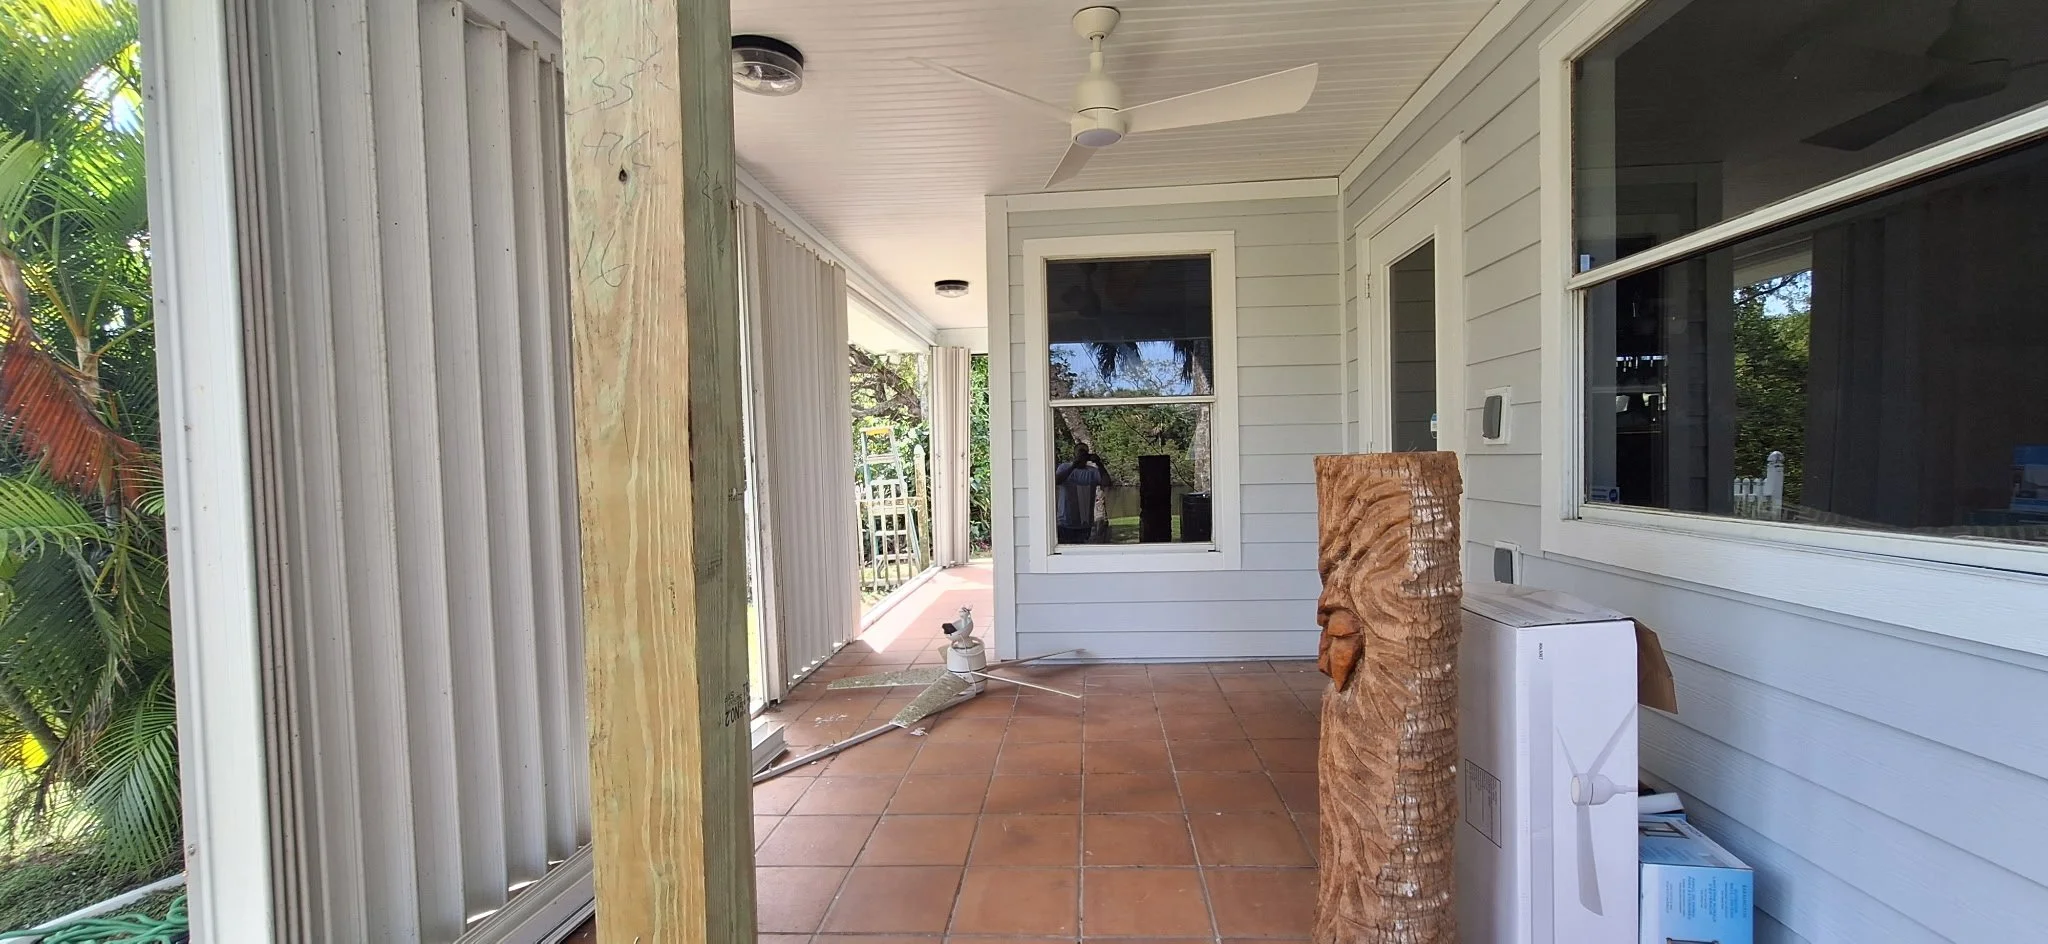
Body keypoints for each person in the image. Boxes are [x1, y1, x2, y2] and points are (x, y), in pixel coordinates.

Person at [1054, 447, 1109, 544]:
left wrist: (1099, 463)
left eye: (1084, 454)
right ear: (1074, 454)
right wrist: (1074, 466)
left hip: (1085, 524)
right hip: (1065, 522)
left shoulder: (1093, 471)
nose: (1082, 457)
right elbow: (1056, 481)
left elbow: (1107, 482)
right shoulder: (1064, 467)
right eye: (1080, 453)